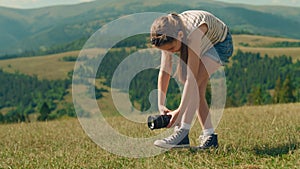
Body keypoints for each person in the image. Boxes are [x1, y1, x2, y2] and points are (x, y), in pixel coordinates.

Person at [150, 10, 233, 149]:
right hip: (203, 43)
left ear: (180, 36)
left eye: (171, 48)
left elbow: (191, 79)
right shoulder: (168, 35)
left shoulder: (193, 34)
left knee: (195, 85)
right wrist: (161, 105)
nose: (171, 52)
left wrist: (180, 111)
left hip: (220, 44)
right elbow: (165, 72)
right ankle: (210, 137)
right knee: (198, 90)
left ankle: (183, 133)